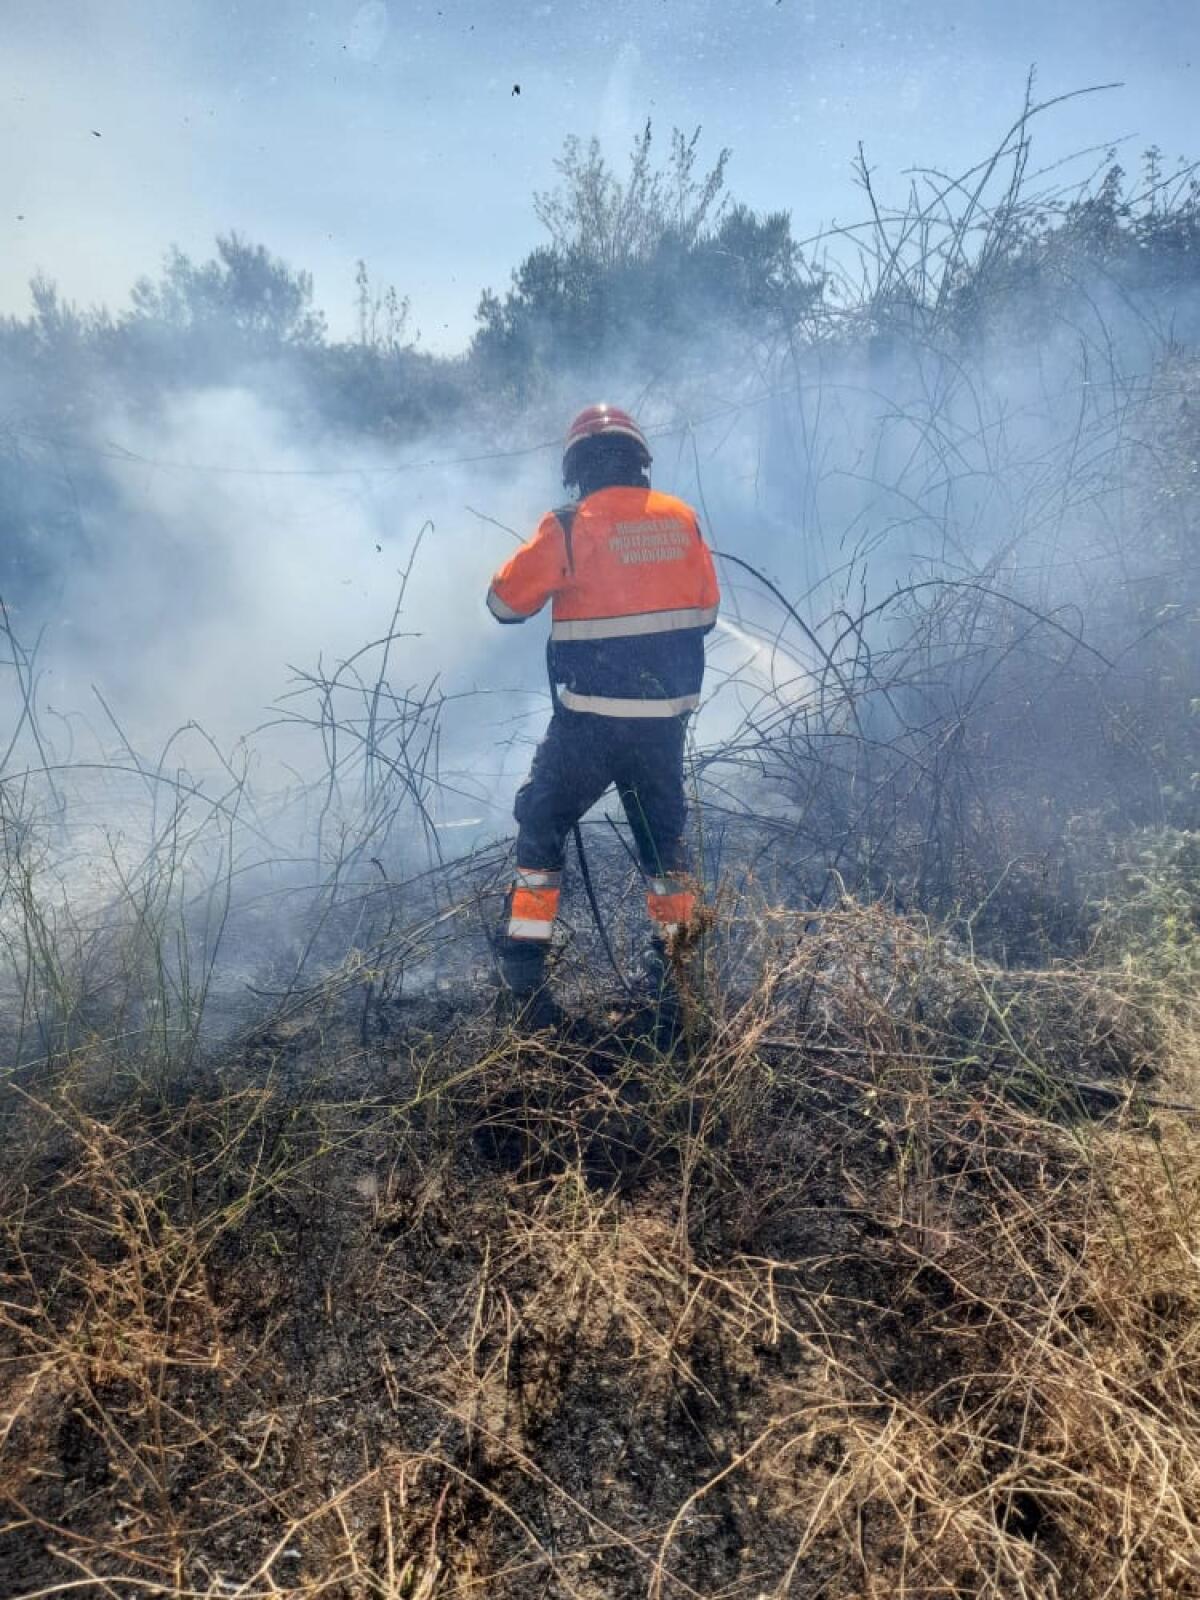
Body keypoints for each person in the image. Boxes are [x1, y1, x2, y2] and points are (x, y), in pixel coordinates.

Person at [486, 403, 720, 1022]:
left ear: (577, 470)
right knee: (663, 845)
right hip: (662, 727)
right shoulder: (682, 520)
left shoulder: (568, 525)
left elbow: (503, 604)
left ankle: (525, 969)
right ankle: (677, 969)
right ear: (639, 463)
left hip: (588, 725)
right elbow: (706, 614)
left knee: (542, 822)